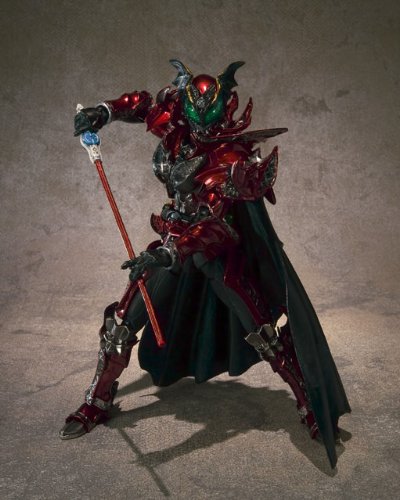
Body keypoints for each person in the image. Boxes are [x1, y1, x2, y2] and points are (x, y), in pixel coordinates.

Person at [60, 60, 350, 468]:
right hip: (172, 244)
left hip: (214, 253)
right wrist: (104, 112)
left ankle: (309, 403)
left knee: (264, 333)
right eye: (194, 120)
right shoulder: (178, 126)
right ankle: (98, 397)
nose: (200, 132)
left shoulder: (229, 156)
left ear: (223, 113)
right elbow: (142, 105)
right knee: (121, 324)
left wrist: (169, 252)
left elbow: (215, 226)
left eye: (208, 123)